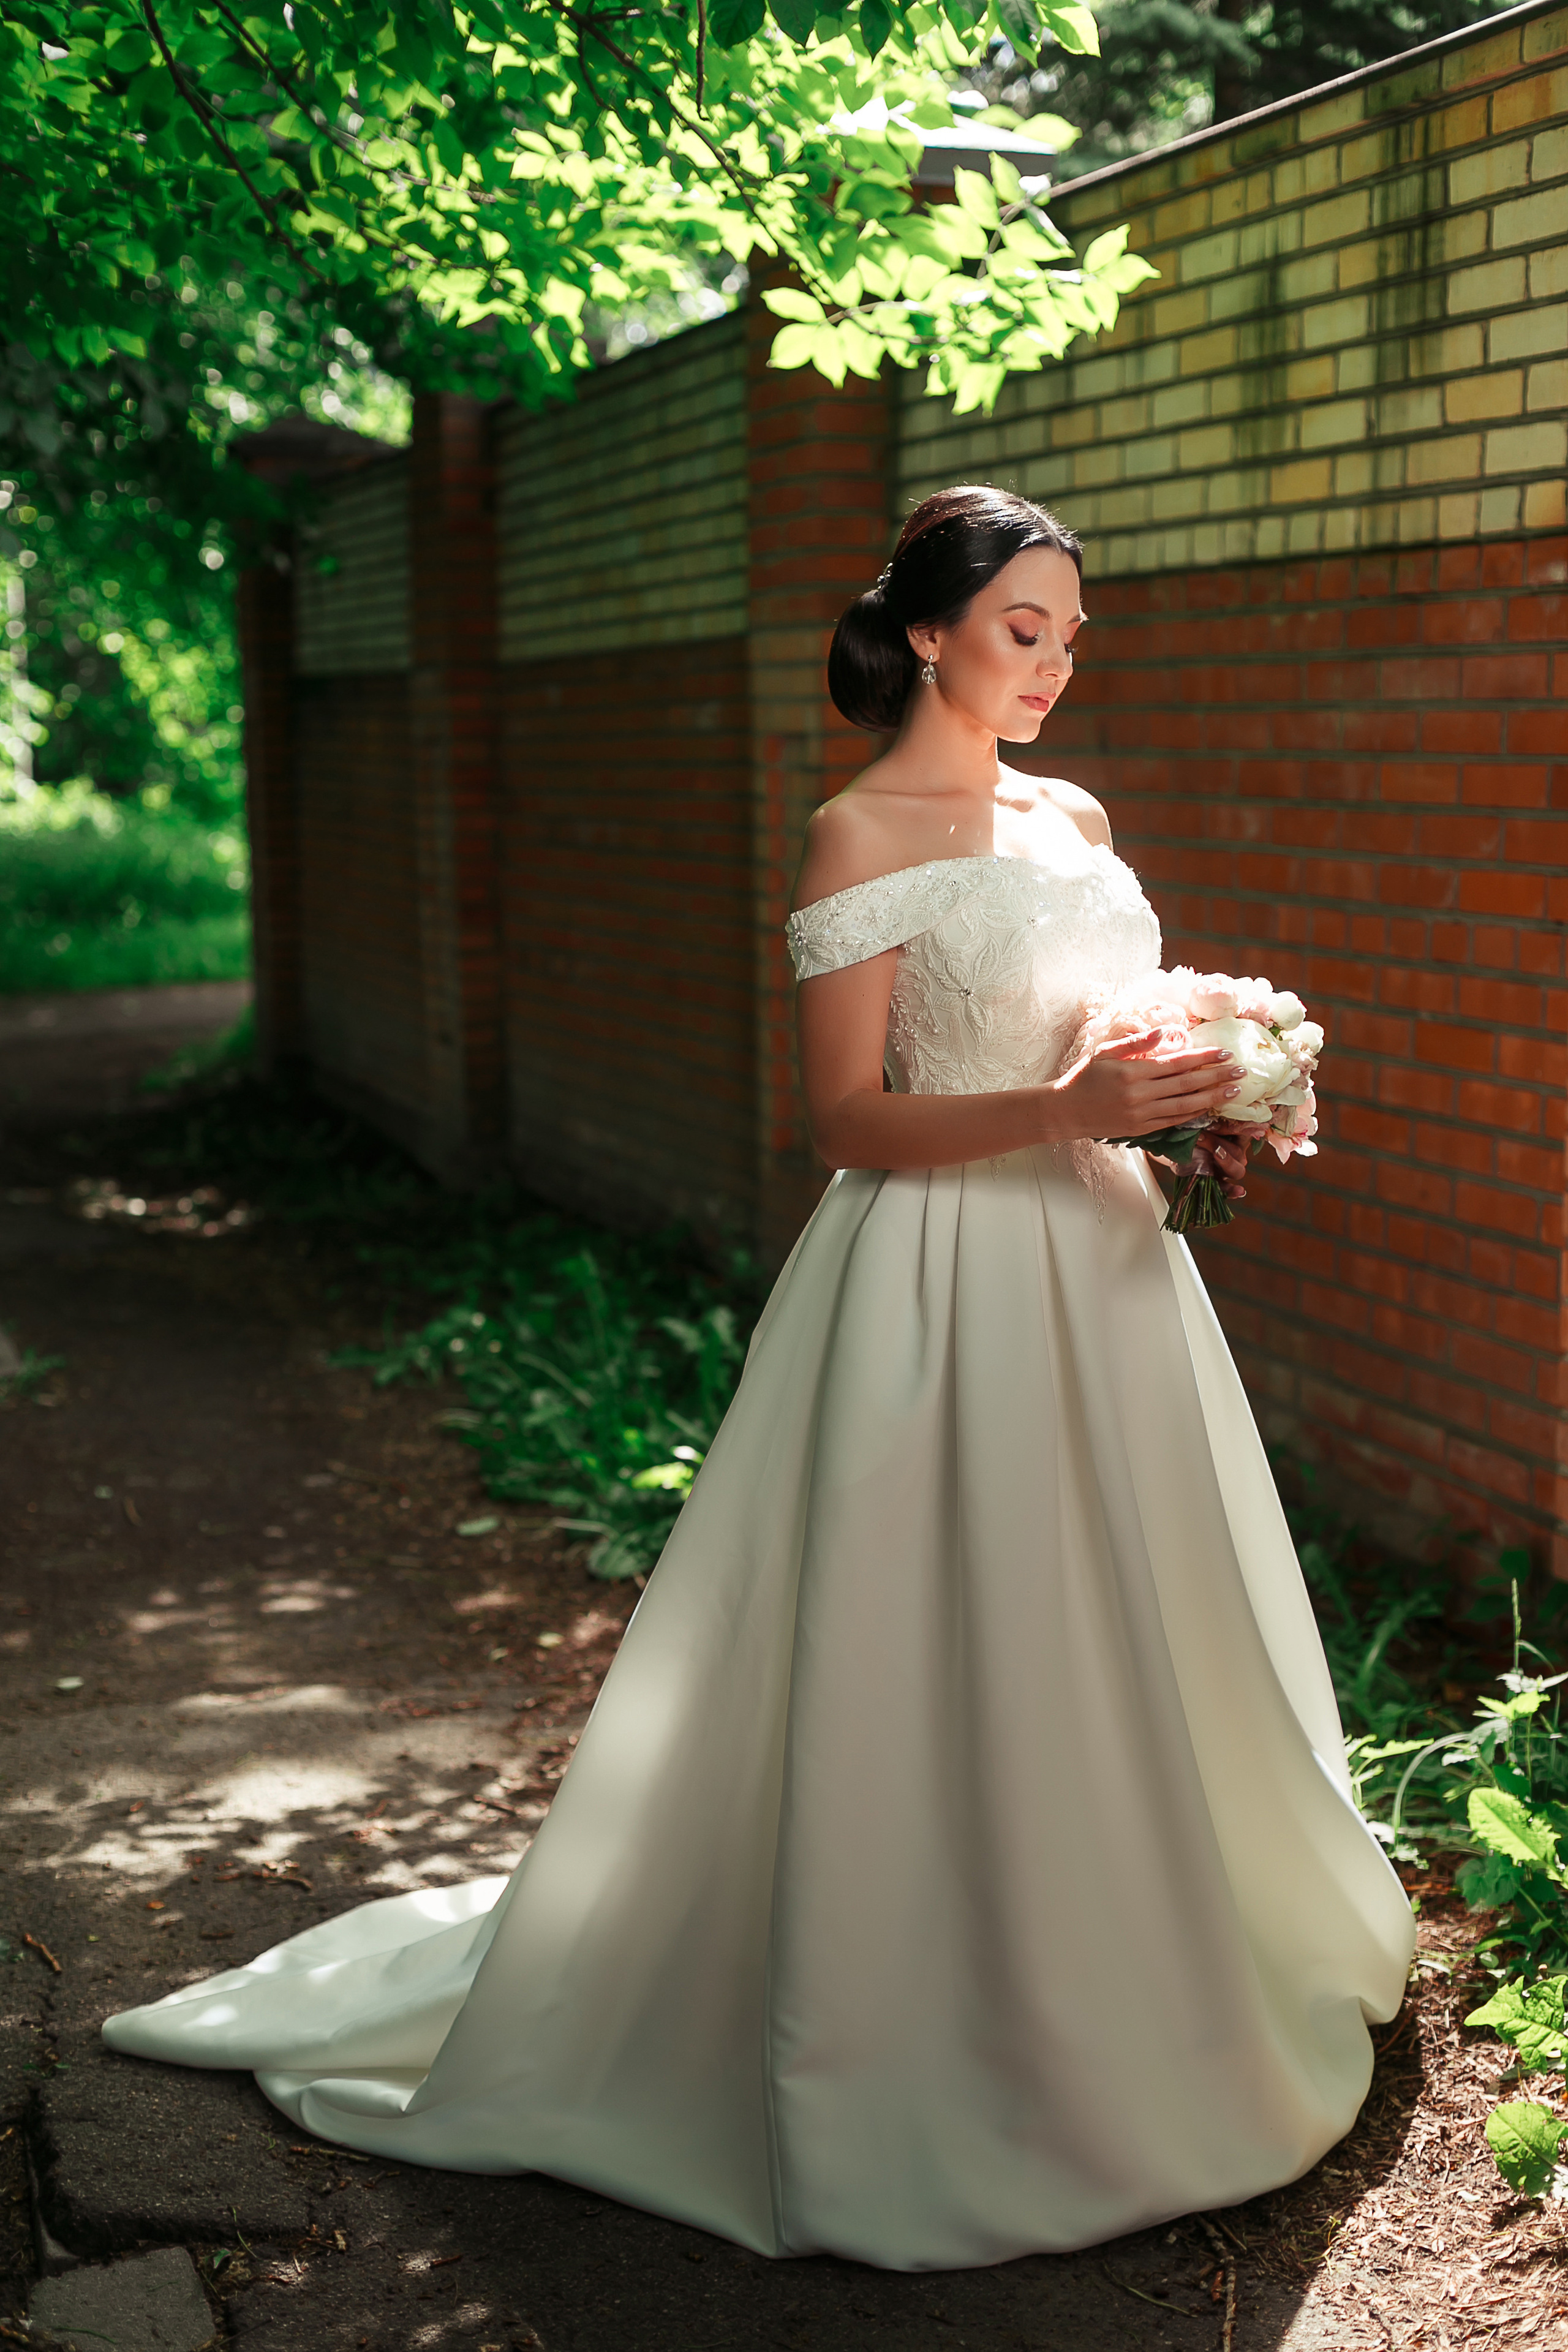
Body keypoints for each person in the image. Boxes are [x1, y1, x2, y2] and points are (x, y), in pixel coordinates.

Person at [104, 484, 1414, 2272]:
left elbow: (1095, 1032)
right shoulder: (855, 835)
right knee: (946, 1614)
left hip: (1112, 1275)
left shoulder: (1077, 816)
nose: (1052, 666)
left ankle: (1151, 1958)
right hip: (944, 1278)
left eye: (1071, 637)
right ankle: (918, 2012)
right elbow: (846, 1121)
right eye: (1022, 630)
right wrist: (1069, 1104)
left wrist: (1195, 1087)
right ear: (932, 632)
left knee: (1126, 1605)